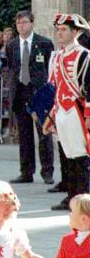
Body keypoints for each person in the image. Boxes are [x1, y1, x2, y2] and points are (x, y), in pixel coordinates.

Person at [43, 13, 90, 210]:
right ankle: (71, 196)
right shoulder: (58, 56)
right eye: (58, 29)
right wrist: (51, 114)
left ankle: (83, 199)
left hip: (76, 109)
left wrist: (88, 115)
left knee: (80, 155)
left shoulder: (84, 55)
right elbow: (55, 86)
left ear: (75, 32)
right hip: (61, 109)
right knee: (68, 154)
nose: (59, 33)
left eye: (64, 30)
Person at [5, 11, 55, 185]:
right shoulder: (11, 45)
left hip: (38, 93)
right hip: (20, 91)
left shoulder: (44, 43)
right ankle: (26, 171)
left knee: (44, 132)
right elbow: (11, 67)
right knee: (24, 134)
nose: (21, 26)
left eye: (24, 22)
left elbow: (50, 68)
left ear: (32, 23)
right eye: (18, 23)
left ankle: (47, 171)